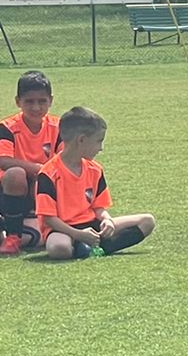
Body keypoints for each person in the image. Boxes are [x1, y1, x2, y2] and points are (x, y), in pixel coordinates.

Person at [33, 106, 154, 260]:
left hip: (92, 225)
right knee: (59, 248)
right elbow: (49, 218)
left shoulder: (95, 169)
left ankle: (90, 247)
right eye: (99, 141)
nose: (101, 148)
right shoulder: (48, 173)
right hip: (63, 229)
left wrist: (107, 220)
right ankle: (88, 245)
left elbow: (99, 208)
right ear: (81, 140)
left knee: (147, 221)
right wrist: (77, 234)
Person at [0, 70, 60, 255]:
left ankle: (24, 229)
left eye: (42, 101)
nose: (36, 107)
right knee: (16, 173)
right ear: (18, 101)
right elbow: (3, 161)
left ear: (51, 100)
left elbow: (66, 161)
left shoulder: (59, 127)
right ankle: (13, 236)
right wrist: (40, 169)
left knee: (45, 180)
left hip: (40, 193)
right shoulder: (7, 127)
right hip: (9, 193)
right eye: (29, 101)